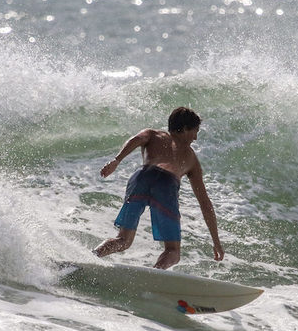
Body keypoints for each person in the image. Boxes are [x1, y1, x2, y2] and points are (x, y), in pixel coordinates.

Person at [93, 107, 224, 270]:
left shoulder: (153, 134)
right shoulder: (191, 159)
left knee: (123, 240)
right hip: (166, 185)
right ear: (184, 129)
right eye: (195, 132)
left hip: (141, 178)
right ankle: (156, 274)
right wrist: (216, 242)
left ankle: (93, 256)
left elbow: (136, 139)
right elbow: (204, 203)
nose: (195, 138)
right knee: (173, 251)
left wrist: (116, 160)